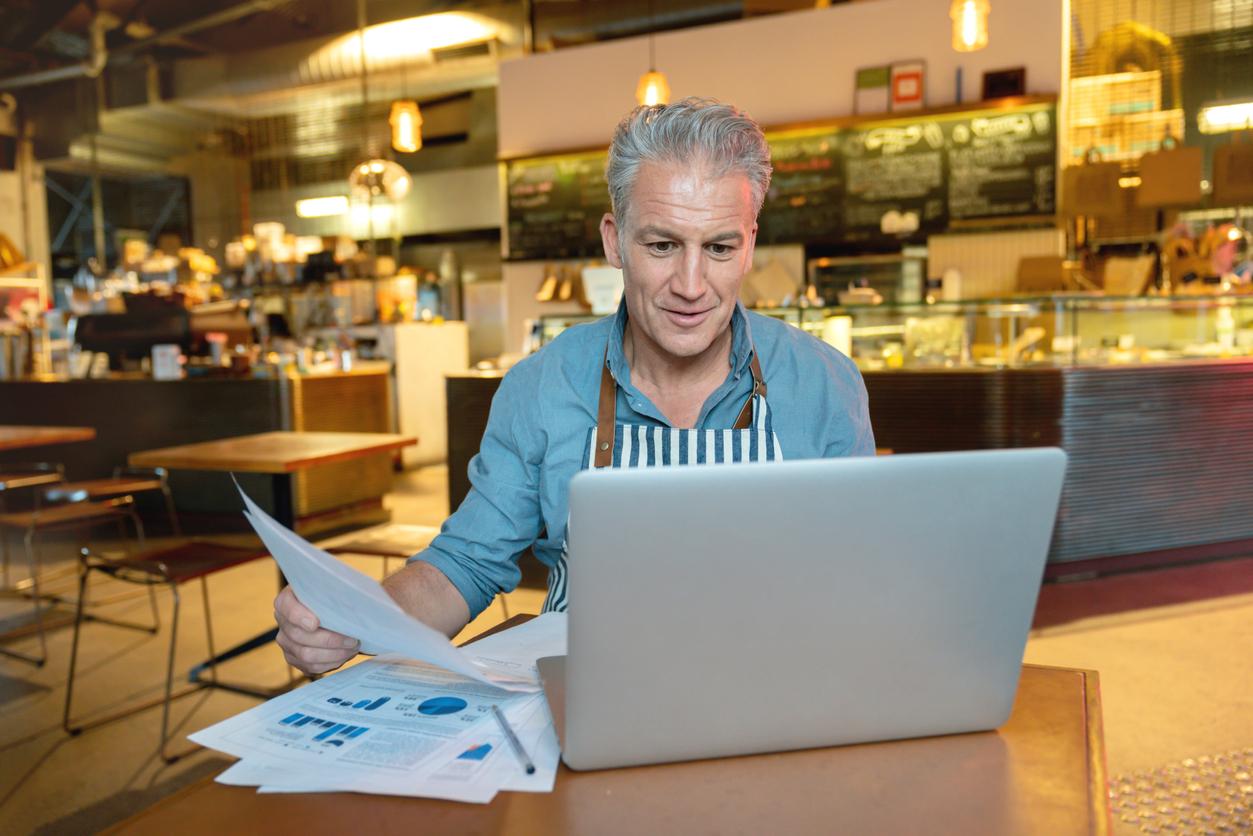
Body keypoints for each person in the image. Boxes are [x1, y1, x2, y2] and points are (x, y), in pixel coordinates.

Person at [275, 97, 875, 675]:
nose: (691, 284)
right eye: (662, 245)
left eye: (718, 248)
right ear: (615, 242)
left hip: (776, 689)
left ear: (749, 245)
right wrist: (353, 620)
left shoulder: (822, 383)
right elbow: (466, 563)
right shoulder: (541, 387)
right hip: (587, 697)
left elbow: (860, 571)